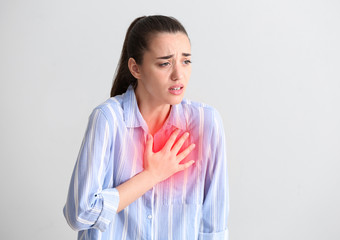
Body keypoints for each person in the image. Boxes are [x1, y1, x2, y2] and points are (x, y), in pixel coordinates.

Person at [63, 15, 229, 240]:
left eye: (186, 61)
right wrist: (152, 175)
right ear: (135, 68)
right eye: (164, 63)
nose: (178, 75)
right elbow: (80, 214)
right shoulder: (108, 119)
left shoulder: (205, 123)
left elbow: (214, 227)